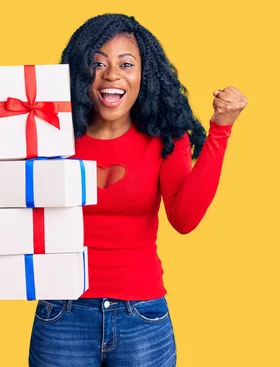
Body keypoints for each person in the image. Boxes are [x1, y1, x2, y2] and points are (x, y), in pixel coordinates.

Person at [28, 13, 248, 367]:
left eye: (125, 64)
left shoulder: (165, 139)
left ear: (144, 74)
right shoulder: (50, 136)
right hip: (62, 315)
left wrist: (220, 129)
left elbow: (185, 218)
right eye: (97, 63)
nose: (111, 74)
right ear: (78, 71)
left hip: (142, 318)